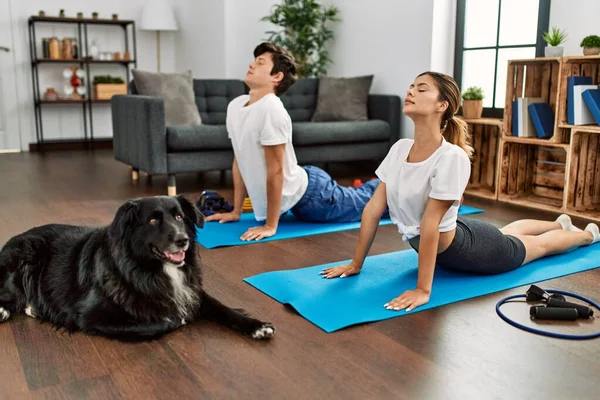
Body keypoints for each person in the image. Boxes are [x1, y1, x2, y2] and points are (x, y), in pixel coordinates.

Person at [320, 71, 600, 312]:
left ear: (441, 105)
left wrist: (422, 290)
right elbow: (372, 208)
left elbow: (430, 223)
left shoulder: (450, 157)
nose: (410, 91)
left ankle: (588, 234)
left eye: (421, 88)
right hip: (456, 234)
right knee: (509, 234)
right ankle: (558, 222)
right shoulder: (400, 149)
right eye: (411, 87)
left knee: (537, 247)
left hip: (472, 250)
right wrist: (356, 264)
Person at [205, 42, 388, 241]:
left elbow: (276, 171)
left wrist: (270, 226)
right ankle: (380, 184)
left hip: (313, 198)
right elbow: (239, 160)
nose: (251, 65)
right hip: (301, 186)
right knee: (360, 195)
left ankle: (396, 183)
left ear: (277, 76)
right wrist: (236, 211)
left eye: (260, 62)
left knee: (371, 204)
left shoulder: (271, 108)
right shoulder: (235, 106)